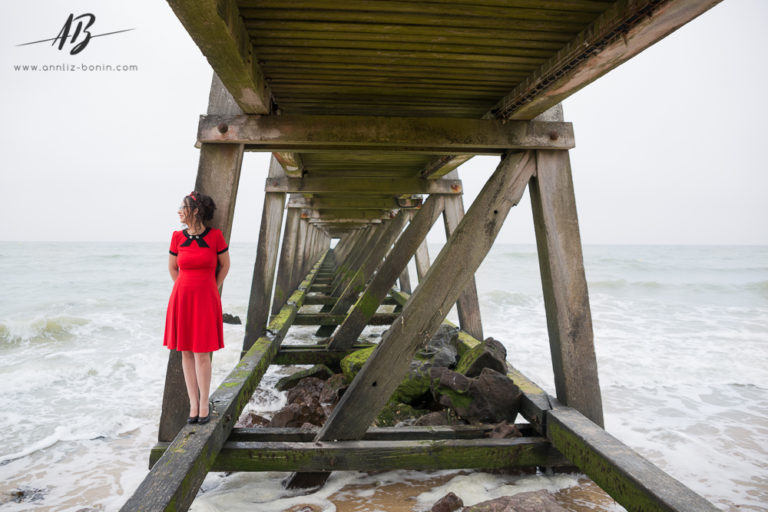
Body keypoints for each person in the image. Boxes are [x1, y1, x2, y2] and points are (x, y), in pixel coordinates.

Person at [163, 191, 230, 425]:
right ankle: (193, 403)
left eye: (183, 207)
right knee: (186, 352)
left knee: (202, 353)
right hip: (181, 298)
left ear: (195, 210)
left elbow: (225, 265)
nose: (179, 211)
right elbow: (173, 268)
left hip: (206, 298)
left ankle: (204, 404)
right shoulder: (176, 237)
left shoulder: (215, 237)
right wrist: (184, 288)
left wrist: (211, 287)